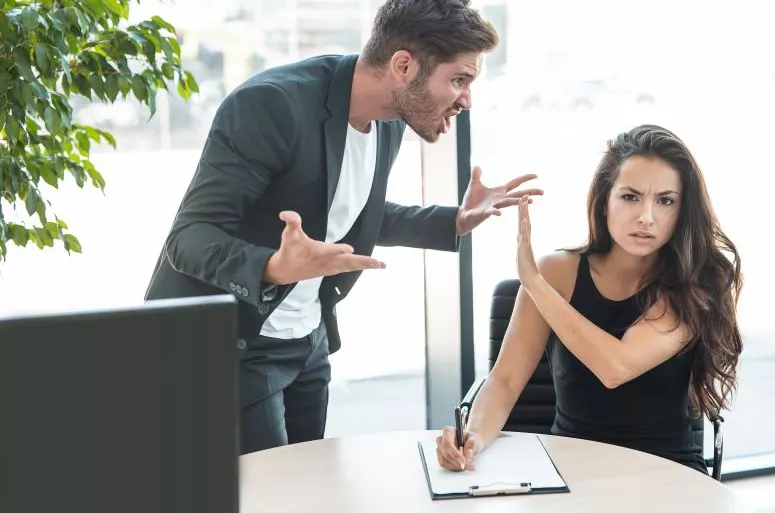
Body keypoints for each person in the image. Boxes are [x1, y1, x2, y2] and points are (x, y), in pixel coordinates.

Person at [144, 0, 543, 455]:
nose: (466, 99)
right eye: (458, 80)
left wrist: (452, 220)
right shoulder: (273, 105)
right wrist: (273, 266)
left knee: (308, 488)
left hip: (307, 343)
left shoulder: (388, 122)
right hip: (234, 344)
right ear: (403, 65)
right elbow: (190, 237)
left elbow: (350, 212)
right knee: (264, 495)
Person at [435, 124, 743, 474]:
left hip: (666, 473)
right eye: (630, 196)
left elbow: (616, 367)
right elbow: (504, 382)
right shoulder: (557, 273)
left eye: (665, 201)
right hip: (571, 471)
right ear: (604, 200)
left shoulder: (697, 283)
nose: (646, 216)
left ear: (682, 210)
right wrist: (472, 437)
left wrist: (535, 286)